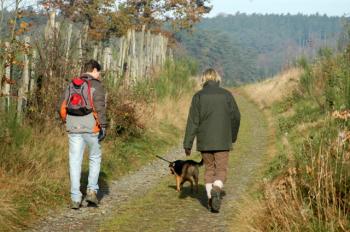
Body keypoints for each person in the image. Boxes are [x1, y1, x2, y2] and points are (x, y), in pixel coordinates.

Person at [183, 68, 240, 213]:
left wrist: (187, 144)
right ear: (217, 79)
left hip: (205, 142)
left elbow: (193, 122)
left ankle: (210, 198)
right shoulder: (227, 95)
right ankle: (216, 189)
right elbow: (236, 117)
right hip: (222, 141)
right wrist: (232, 136)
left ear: (203, 79)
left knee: (209, 170)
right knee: (221, 169)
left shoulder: (198, 96)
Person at [58, 59, 107, 209]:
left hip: (73, 127)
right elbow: (100, 107)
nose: (99, 75)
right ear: (93, 70)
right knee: (94, 157)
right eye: (98, 72)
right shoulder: (96, 85)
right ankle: (91, 191)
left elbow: (61, 106)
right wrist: (103, 126)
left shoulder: (72, 83)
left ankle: (75, 198)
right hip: (91, 127)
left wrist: (68, 121)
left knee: (74, 161)